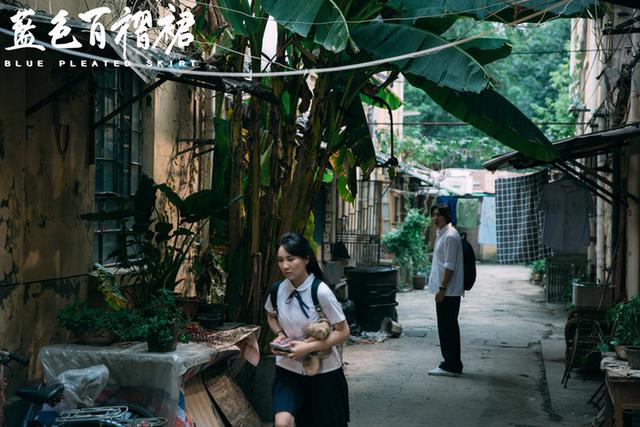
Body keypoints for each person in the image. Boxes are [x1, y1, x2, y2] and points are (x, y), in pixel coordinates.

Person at [264, 232, 350, 427]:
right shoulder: (277, 290)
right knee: (282, 422)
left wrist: (307, 348)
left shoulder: (321, 292)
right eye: (280, 260)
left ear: (305, 259)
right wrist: (280, 335)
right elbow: (270, 315)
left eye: (291, 259)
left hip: (324, 372)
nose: (285, 266)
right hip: (287, 368)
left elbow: (343, 331)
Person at [428, 205, 464, 377]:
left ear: (446, 216)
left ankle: (451, 364)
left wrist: (442, 288)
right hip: (445, 291)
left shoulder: (450, 236)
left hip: (448, 291)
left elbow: (449, 266)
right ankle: (451, 363)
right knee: (447, 326)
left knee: (447, 327)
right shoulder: (443, 234)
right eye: (433, 215)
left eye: (438, 215)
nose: (435, 218)